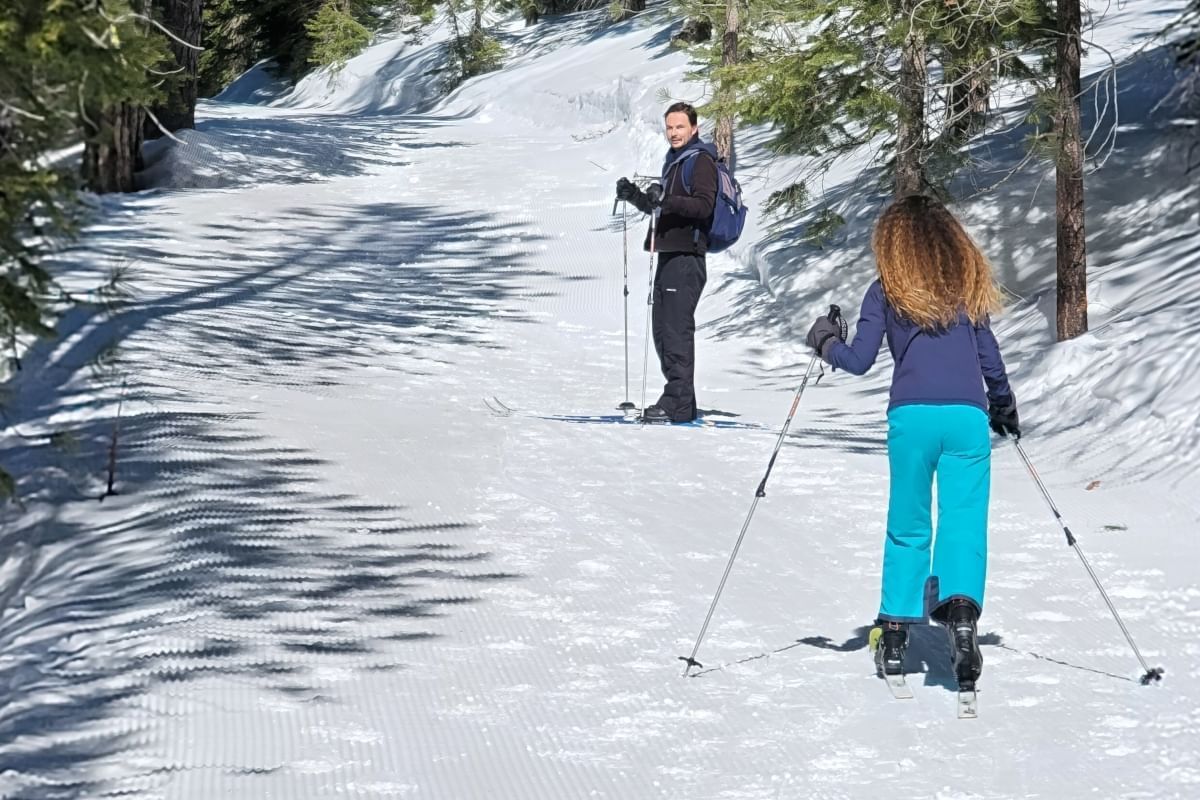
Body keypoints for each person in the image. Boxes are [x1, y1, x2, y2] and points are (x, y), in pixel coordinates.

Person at [804, 194, 1020, 689]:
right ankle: (962, 621)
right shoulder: (966, 289)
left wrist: (823, 340)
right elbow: (989, 356)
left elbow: (858, 360)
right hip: (967, 417)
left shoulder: (885, 292)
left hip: (912, 418)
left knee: (909, 523)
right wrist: (1003, 405)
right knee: (963, 523)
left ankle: (897, 634)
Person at [614, 102, 717, 424]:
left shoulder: (700, 161)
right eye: (670, 128)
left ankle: (678, 405)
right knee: (663, 331)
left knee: (675, 332)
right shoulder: (675, 162)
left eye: (680, 127)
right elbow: (662, 208)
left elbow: (703, 207)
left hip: (688, 258)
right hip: (671, 255)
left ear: (694, 128)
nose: (673, 133)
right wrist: (634, 195)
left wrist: (666, 198)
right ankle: (680, 399)